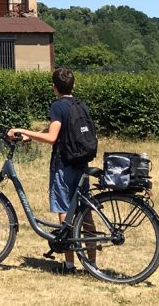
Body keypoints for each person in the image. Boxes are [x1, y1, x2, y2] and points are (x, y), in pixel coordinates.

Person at [7, 67, 94, 274]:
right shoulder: (81, 105)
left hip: (63, 166)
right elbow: (58, 129)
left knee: (65, 212)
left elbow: (52, 137)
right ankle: (92, 265)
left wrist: (22, 130)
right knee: (86, 214)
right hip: (81, 164)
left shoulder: (58, 106)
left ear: (54, 87)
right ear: (72, 85)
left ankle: (69, 265)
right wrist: (33, 135)